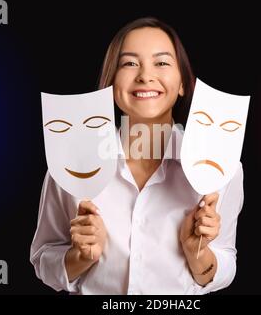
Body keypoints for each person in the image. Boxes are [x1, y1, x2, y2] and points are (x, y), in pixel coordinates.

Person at [30, 17, 244, 294]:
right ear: (111, 82)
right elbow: (43, 258)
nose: (145, 75)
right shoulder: (72, 165)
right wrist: (79, 257)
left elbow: (225, 262)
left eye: (162, 63)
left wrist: (198, 253)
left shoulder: (221, 166)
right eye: (129, 63)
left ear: (182, 83)